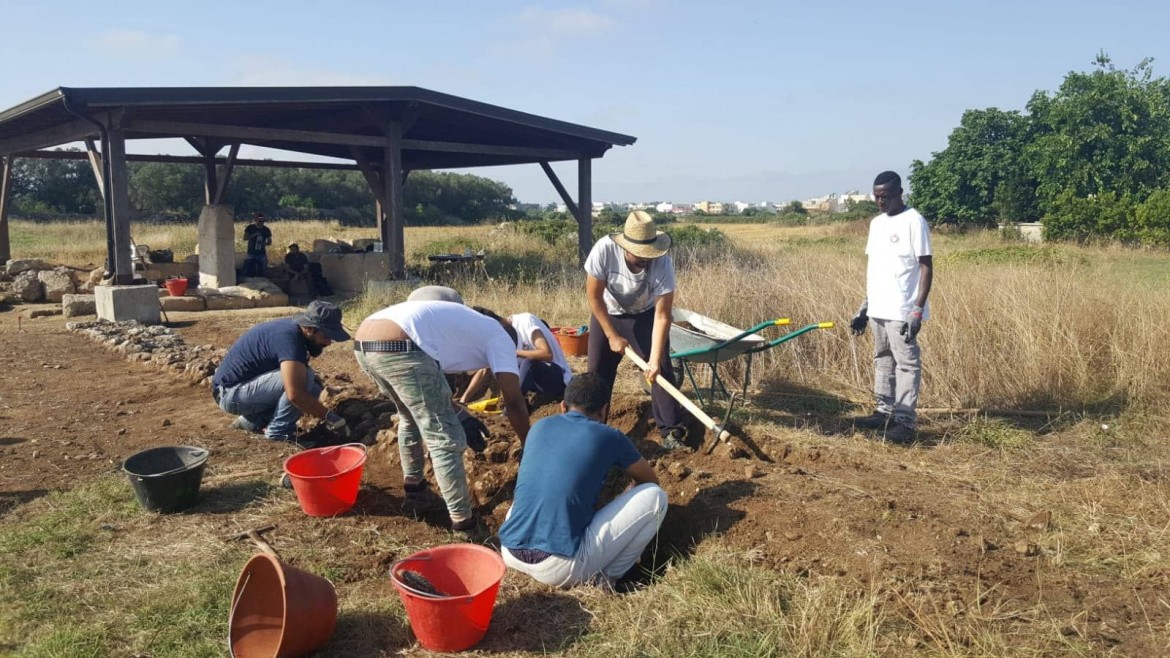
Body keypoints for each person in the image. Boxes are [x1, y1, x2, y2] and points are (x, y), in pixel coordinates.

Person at [352, 300, 531, 532]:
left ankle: (416, 493)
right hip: (402, 346)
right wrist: (530, 446)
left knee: (409, 417)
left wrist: (461, 414)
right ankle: (464, 524)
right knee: (445, 435)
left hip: (365, 344)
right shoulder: (503, 339)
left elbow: (429, 389)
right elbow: (514, 402)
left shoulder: (467, 325)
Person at [499, 373, 667, 589]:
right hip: (557, 567)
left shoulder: (538, 427)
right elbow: (650, 480)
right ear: (605, 410)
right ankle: (607, 581)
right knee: (656, 497)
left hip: (510, 552)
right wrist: (627, 492)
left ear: (562, 406)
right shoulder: (610, 436)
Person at [585, 210, 690, 450]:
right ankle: (591, 428)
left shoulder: (662, 262)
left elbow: (663, 315)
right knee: (596, 373)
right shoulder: (604, 250)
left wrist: (653, 360)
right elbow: (594, 298)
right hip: (608, 313)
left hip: (646, 315)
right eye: (640, 254)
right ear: (625, 246)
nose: (646, 259)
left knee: (661, 370)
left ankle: (671, 432)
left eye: (649, 254)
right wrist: (611, 335)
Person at [849, 171, 934, 442]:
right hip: (878, 309)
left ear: (899, 193)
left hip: (902, 310)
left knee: (906, 364)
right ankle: (883, 411)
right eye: (876, 196)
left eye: (885, 196)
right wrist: (864, 307)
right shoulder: (876, 224)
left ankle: (905, 422)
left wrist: (917, 310)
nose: (880, 201)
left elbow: (926, 266)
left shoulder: (914, 221)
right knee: (882, 360)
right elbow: (877, 269)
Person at [212, 300, 350, 444]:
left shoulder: (294, 330)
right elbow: (295, 395)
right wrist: (331, 418)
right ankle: (279, 434)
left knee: (313, 387)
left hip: (241, 390)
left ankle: (251, 422)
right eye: (326, 336)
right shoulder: (290, 341)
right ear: (309, 329)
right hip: (230, 395)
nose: (328, 343)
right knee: (303, 380)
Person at [460, 312, 572, 405]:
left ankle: (510, 405)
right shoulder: (500, 338)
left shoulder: (526, 321)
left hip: (558, 379)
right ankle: (514, 403)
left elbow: (547, 354)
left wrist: (516, 353)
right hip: (536, 387)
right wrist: (463, 400)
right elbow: (484, 370)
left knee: (529, 361)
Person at [242, 212, 272, 277]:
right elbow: (245, 238)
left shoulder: (266, 229)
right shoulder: (250, 227)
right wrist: (253, 235)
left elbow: (269, 242)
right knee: (249, 267)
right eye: (259, 221)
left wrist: (264, 243)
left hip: (261, 253)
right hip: (251, 252)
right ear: (255, 220)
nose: (261, 222)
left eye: (263, 221)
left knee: (263, 268)